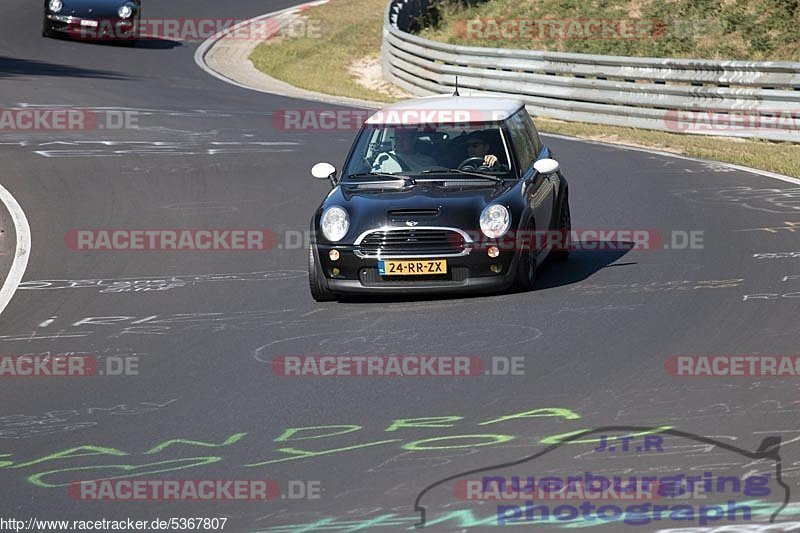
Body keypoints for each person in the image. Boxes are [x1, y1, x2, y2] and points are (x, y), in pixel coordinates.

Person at [372, 129, 437, 172]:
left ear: (413, 139)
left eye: (404, 138)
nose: (399, 142)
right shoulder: (384, 158)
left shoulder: (427, 161)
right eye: (397, 138)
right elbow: (374, 179)